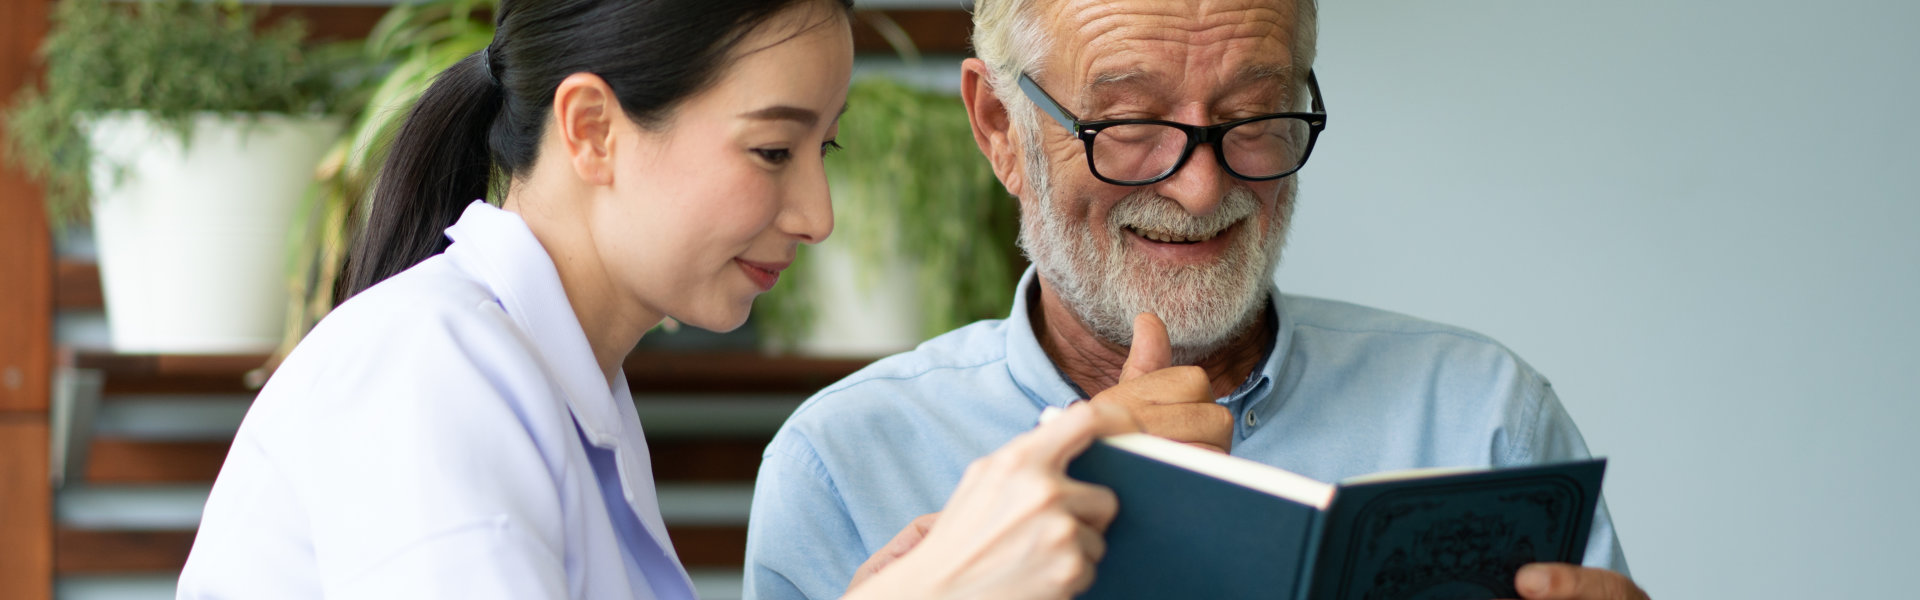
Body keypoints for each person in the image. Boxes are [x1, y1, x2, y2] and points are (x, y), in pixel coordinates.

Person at [176, 0, 1174, 598]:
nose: (817, 214)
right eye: (773, 151)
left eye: (819, 152)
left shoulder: (568, 396)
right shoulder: (431, 374)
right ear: (593, 130)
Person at [744, 1, 1653, 599]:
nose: (1200, 187)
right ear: (1000, 129)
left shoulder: (1484, 420)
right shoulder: (844, 466)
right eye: (1131, 124)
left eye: (1255, 118)